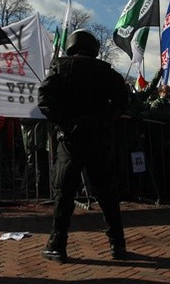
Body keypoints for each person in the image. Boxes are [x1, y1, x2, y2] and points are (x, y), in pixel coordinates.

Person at [38, 29, 130, 262]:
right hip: (99, 139)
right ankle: (117, 244)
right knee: (107, 193)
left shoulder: (60, 68)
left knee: (64, 193)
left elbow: (44, 99)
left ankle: (57, 244)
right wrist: (103, 121)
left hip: (71, 140)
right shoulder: (106, 72)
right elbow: (122, 101)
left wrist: (66, 123)